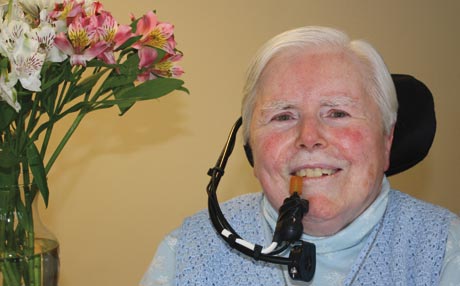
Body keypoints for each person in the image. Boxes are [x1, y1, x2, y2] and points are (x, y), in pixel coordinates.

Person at [140, 26, 460, 285]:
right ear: (251, 147)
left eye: (337, 112)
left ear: (387, 140)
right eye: (283, 116)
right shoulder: (187, 250)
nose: (308, 138)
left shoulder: (445, 250)